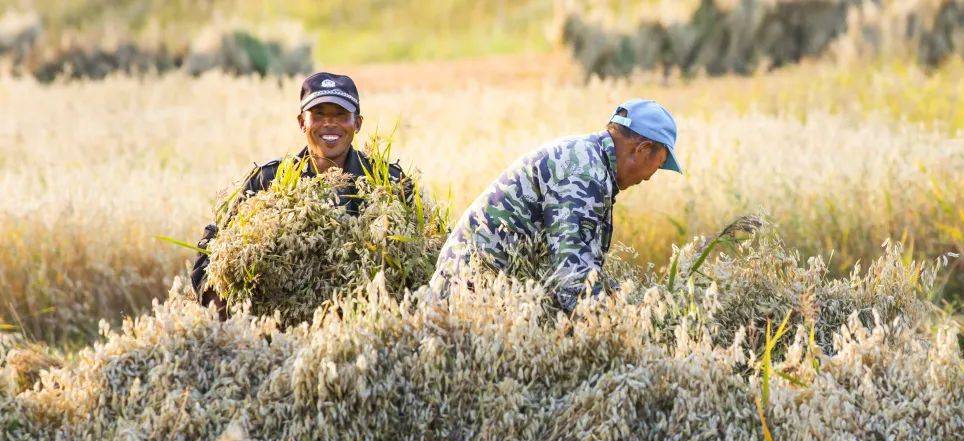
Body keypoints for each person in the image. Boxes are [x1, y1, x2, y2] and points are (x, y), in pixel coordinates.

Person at [190, 72, 410, 317]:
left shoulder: (388, 182)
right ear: (301, 122)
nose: (329, 123)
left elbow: (424, 253)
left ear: (357, 124)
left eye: (340, 115)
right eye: (319, 114)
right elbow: (214, 248)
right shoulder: (268, 181)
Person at [430, 98, 681, 312]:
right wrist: (624, 326)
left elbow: (582, 261)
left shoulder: (590, 160)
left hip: (483, 294)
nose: (649, 177)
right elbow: (572, 278)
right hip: (465, 300)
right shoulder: (584, 174)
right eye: (657, 166)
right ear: (642, 148)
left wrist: (622, 299)